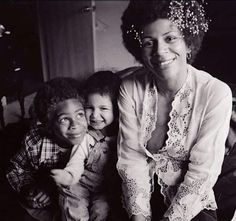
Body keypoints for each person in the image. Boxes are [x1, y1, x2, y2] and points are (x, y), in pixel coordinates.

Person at [116, 1, 232, 221]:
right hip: (139, 196)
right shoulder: (129, 88)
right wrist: (139, 216)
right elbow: (131, 159)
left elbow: (202, 173)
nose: (160, 51)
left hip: (190, 203)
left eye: (170, 38)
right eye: (149, 42)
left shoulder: (216, 93)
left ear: (188, 43)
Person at [6, 77, 87, 221]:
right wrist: (28, 189)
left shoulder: (94, 138)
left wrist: (51, 187)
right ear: (49, 124)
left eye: (80, 114)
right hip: (46, 195)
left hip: (81, 196)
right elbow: (16, 169)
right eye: (64, 119)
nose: (75, 124)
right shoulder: (35, 143)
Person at [51, 71, 122, 221]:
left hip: (105, 188)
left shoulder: (122, 136)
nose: (95, 115)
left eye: (103, 109)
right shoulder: (86, 136)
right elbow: (76, 160)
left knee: (102, 209)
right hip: (80, 182)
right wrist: (69, 176)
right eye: (89, 107)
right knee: (73, 202)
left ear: (116, 109)